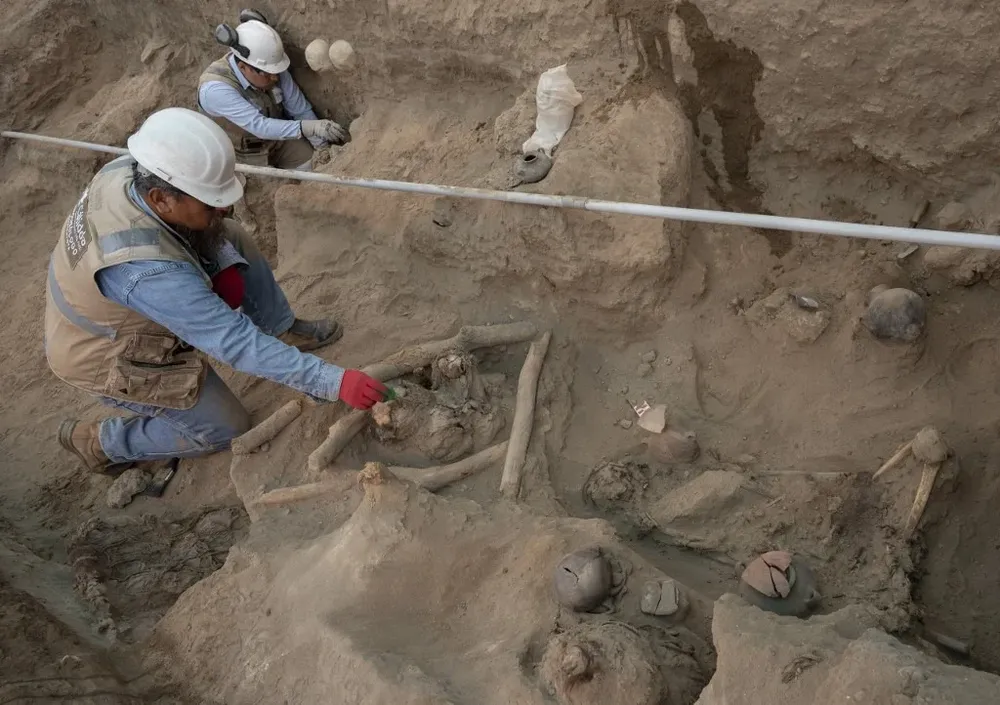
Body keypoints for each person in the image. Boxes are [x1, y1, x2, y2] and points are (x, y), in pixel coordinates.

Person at [46, 107, 386, 474]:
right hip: (108, 351)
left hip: (122, 299)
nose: (225, 206)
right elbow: (233, 342)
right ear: (161, 199)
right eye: (209, 201)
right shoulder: (146, 272)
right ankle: (101, 443)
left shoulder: (140, 167)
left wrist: (218, 252)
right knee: (226, 427)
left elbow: (209, 229)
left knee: (229, 235)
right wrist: (331, 381)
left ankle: (280, 329)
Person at [197, 15, 348, 170]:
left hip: (277, 141)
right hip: (239, 157)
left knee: (314, 169)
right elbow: (260, 126)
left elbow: (299, 109)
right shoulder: (216, 90)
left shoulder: (269, 67)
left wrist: (322, 147)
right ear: (243, 67)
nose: (275, 78)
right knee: (274, 184)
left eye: (276, 71)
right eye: (268, 74)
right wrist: (310, 127)